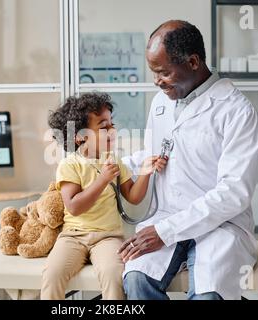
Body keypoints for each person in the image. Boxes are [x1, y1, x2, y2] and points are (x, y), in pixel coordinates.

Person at [118, 20, 258, 300]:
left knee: (209, 295)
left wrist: (165, 232)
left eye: (163, 72)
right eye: (154, 73)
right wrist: (113, 167)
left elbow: (233, 194)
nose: (156, 81)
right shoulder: (161, 101)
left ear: (193, 62)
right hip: (165, 215)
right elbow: (155, 154)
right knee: (137, 281)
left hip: (221, 226)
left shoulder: (237, 112)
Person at [42, 92, 167, 299]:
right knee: (53, 273)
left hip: (108, 237)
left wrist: (145, 172)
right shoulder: (69, 165)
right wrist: (102, 180)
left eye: (111, 124)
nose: (112, 130)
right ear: (80, 136)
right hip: (73, 236)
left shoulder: (114, 161)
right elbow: (74, 206)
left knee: (114, 275)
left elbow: (133, 197)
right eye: (103, 127)